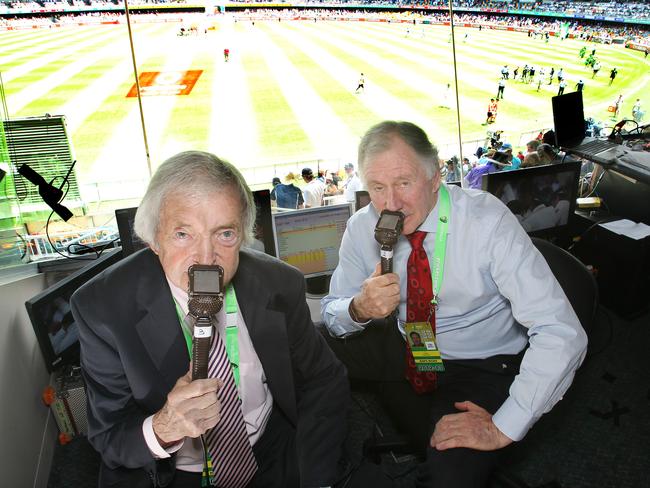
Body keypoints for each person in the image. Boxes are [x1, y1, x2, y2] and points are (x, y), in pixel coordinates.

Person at [320, 121, 587, 488]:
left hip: (480, 362)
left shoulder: (485, 221)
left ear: (435, 177)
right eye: (378, 188)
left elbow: (561, 331)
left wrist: (502, 426)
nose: (390, 204)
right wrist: (358, 308)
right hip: (409, 341)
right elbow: (332, 312)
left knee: (452, 478)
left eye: (403, 183)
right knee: (302, 345)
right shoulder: (362, 226)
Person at [72, 151, 349, 488]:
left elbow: (325, 378)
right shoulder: (102, 308)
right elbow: (110, 435)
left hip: (270, 450)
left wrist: (316, 477)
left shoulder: (280, 283)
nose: (205, 258)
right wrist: (165, 426)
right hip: (173, 472)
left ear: (244, 235)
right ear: (153, 238)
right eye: (183, 234)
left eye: (225, 234)